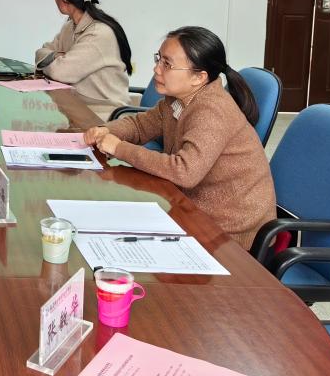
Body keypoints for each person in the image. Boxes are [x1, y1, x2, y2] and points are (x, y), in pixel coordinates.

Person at [83, 26, 276, 249]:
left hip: (230, 233)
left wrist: (119, 148)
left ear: (198, 77)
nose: (156, 69)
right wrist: (105, 131)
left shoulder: (212, 111)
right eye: (159, 59)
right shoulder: (178, 100)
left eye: (167, 64)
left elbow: (184, 171)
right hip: (193, 208)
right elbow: (139, 125)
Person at [34, 0, 132, 109]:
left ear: (64, 0)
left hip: (104, 113)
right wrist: (56, 56)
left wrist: (55, 61)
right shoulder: (70, 27)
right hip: (77, 105)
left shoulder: (98, 34)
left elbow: (60, 72)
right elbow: (41, 53)